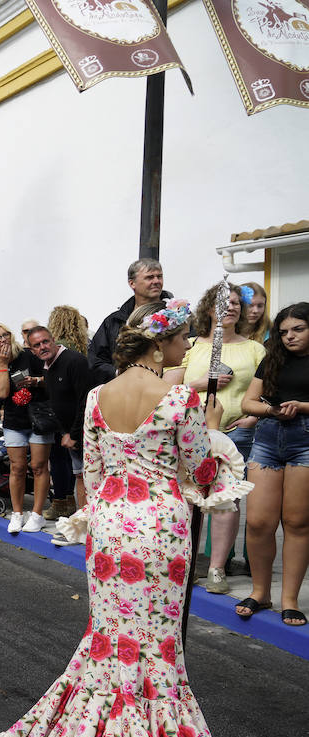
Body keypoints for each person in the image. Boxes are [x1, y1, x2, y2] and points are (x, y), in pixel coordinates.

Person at [0, 300, 244, 737]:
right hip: (158, 528)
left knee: (110, 635)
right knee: (155, 639)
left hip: (110, 523)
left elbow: (94, 466)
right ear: (161, 343)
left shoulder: (96, 397)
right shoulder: (179, 398)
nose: (186, 347)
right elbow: (201, 475)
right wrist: (213, 426)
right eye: (181, 340)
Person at [166, 283, 263, 593]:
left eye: (236, 303)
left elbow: (268, 390)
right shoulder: (191, 345)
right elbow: (169, 388)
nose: (231, 308)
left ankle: (217, 569)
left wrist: (254, 416)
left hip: (237, 433)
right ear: (209, 309)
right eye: (224, 303)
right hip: (192, 432)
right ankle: (187, 562)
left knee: (226, 501)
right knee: (188, 498)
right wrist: (202, 382)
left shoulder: (255, 348)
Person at [239, 301, 309, 627]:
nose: (290, 337)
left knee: (296, 522)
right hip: (268, 439)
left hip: (305, 443)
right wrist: (273, 410)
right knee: (257, 522)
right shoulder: (273, 358)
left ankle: (290, 600)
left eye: (298, 329)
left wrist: (303, 406)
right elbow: (248, 402)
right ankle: (260, 591)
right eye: (283, 332)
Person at [25, 324, 96, 540]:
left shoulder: (74, 361)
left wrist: (73, 434)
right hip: (71, 434)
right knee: (81, 478)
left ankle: (86, 531)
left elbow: (86, 399)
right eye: (36, 345)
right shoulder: (49, 366)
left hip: (86, 433)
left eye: (45, 341)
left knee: (87, 480)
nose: (43, 347)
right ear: (32, 350)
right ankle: (82, 529)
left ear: (53, 339)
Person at [0, 322, 51, 533]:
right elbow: (2, 392)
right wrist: (3, 363)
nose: (4, 339)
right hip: (14, 420)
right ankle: (17, 513)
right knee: (17, 467)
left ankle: (37, 515)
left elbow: (49, 379)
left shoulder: (28, 355)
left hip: (38, 417)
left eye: (6, 335)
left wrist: (35, 381)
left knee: (39, 466)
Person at [88, 258, 171, 383]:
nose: (156, 281)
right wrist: (120, 375)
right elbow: (95, 360)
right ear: (132, 283)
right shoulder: (113, 321)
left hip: (166, 391)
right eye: (149, 277)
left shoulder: (177, 316)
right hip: (123, 393)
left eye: (159, 276)